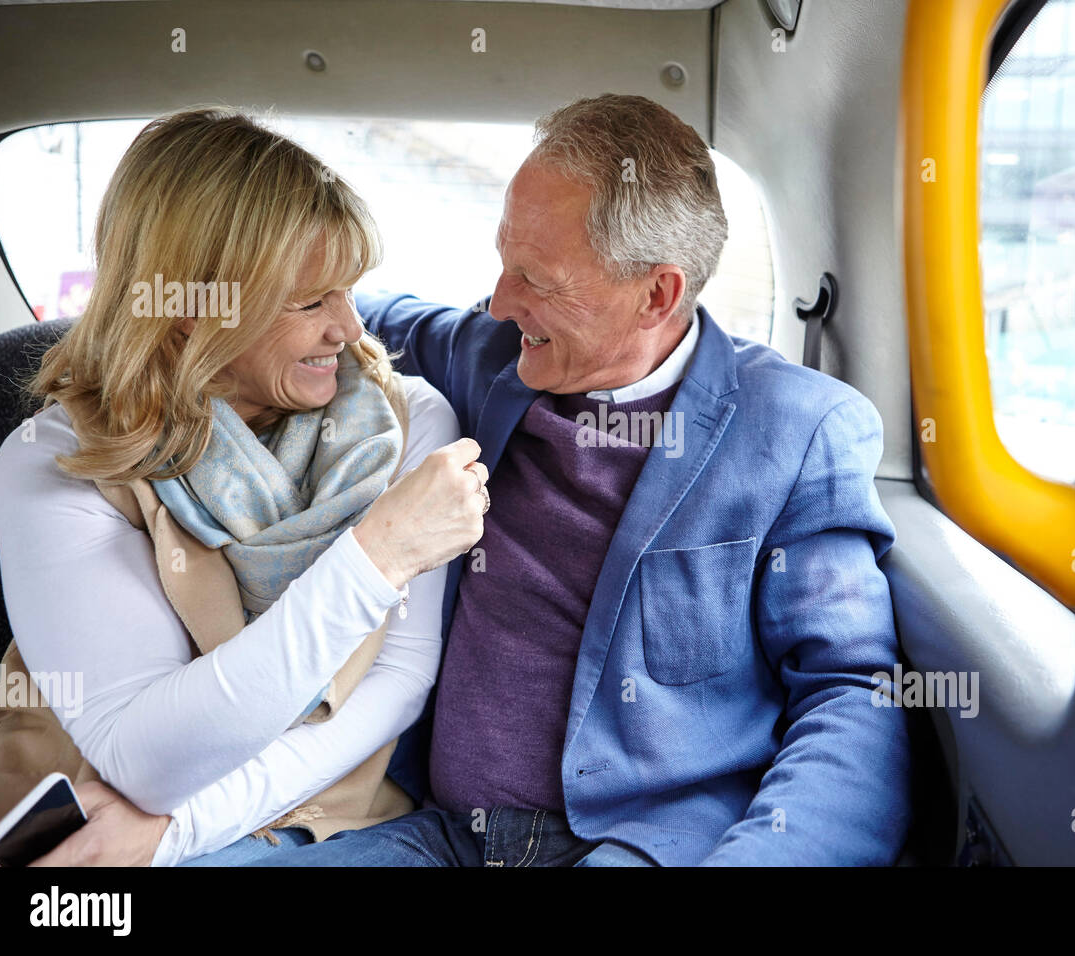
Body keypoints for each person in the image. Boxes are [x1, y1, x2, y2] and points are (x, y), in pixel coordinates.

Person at [250, 93, 913, 866]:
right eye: (502, 262)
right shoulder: (492, 352)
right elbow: (356, 314)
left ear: (657, 294)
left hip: (640, 846)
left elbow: (852, 695)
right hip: (433, 831)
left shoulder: (798, 431)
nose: (500, 300)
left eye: (535, 277)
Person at [0, 107, 489, 867]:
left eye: (349, 290)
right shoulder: (58, 460)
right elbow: (147, 760)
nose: (348, 328)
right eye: (310, 300)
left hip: (311, 819)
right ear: (187, 309)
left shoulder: (406, 422)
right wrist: (376, 557)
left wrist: (181, 830)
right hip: (83, 821)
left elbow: (398, 681)